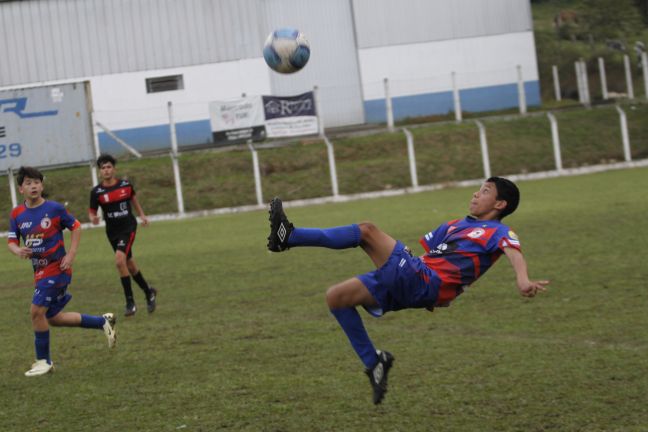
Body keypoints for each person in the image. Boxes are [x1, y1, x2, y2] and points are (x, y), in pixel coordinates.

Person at [267, 177, 549, 405]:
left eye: (485, 191)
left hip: (425, 282)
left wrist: (522, 279)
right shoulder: (454, 225)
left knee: (367, 231)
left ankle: (289, 236)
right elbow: (436, 257)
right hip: (418, 277)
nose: (475, 194)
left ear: (500, 203)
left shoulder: (498, 231)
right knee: (337, 298)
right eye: (478, 189)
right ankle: (374, 363)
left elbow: (513, 252)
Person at [8, 166, 117, 377]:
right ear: (21, 189)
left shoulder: (55, 209)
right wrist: (18, 250)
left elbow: (76, 226)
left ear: (42, 185)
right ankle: (103, 322)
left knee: (36, 312)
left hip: (57, 269)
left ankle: (44, 361)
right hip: (39, 271)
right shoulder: (17, 214)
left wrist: (71, 254)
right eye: (29, 183)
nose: (34, 186)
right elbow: (11, 241)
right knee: (53, 318)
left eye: (37, 182)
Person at [89, 154, 157, 317]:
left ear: (114, 169)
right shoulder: (96, 192)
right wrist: (93, 219)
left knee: (120, 261)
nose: (106, 170)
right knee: (130, 265)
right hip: (112, 232)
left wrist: (142, 215)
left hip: (128, 228)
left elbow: (133, 199)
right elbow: (91, 212)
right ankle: (149, 292)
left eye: (109, 167)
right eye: (103, 168)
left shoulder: (125, 185)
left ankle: (130, 302)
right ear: (100, 171)